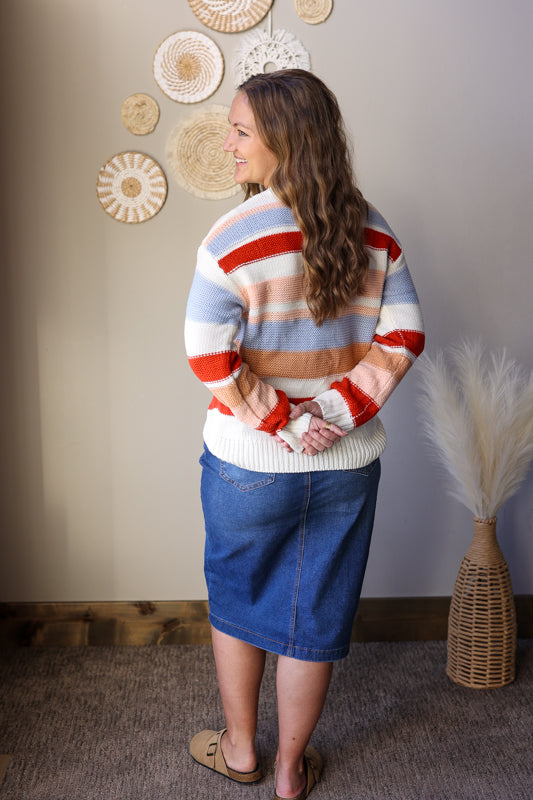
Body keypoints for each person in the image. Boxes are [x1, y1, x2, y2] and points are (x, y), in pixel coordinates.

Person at [184, 69, 424, 800]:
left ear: (284, 139)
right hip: (345, 465)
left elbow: (206, 353)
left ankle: (241, 752)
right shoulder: (373, 227)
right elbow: (404, 335)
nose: (228, 145)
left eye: (240, 132)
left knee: (238, 602)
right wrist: (334, 415)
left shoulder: (232, 236)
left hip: (249, 464)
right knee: (313, 613)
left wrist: (285, 422)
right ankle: (290, 772)